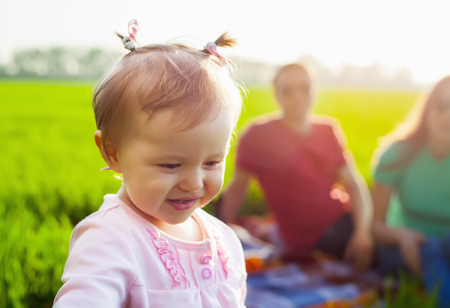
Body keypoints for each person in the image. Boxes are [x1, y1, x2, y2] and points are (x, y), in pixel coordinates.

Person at [53, 20, 247, 307]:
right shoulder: (110, 240)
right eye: (170, 165)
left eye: (212, 162)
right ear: (113, 153)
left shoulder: (224, 240)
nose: (194, 183)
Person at [219, 63, 374, 270]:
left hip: (343, 219)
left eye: (305, 88)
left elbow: (354, 185)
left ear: (314, 91)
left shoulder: (328, 130)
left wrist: (362, 232)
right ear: (277, 95)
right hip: (312, 237)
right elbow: (238, 187)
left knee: (384, 239)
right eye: (287, 91)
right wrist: (219, 231)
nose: (298, 97)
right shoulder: (258, 135)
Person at [371, 76, 450, 306]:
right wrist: (402, 235)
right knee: (430, 248)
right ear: (427, 109)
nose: (448, 115)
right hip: (402, 248)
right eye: (442, 105)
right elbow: (375, 225)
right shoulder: (397, 154)